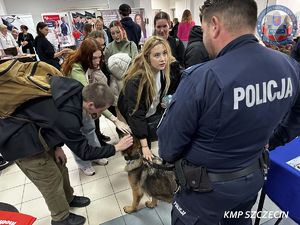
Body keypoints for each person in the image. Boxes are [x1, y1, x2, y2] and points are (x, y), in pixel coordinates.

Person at [157, 0, 300, 225]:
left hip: (204, 193)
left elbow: (168, 147)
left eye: (203, 30)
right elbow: (297, 116)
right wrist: (274, 140)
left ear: (214, 25)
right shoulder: (289, 67)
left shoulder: (202, 78)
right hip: (251, 179)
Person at [0, 76, 133, 225]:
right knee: (50, 179)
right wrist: (116, 148)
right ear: (90, 104)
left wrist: (58, 146)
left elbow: (48, 115)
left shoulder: (75, 87)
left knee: (61, 166)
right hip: (20, 142)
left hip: (39, 130)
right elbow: (85, 152)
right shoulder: (68, 117)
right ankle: (60, 219)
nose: (101, 114)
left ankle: (68, 199)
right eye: (101, 110)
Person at [61, 38, 131, 176]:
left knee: (91, 129)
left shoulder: (88, 65)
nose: (97, 61)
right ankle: (84, 164)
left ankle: (96, 155)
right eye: (94, 58)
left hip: (85, 104)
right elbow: (93, 100)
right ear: (86, 55)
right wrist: (114, 119)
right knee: (79, 135)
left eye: (99, 57)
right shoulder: (76, 69)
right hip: (75, 107)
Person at [118, 36, 179, 161]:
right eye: (156, 55)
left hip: (149, 113)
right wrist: (144, 145)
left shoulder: (165, 69)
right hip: (132, 117)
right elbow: (136, 113)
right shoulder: (136, 80)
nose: (163, 59)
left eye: (165, 53)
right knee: (140, 154)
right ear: (147, 57)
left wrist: (165, 99)